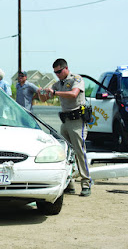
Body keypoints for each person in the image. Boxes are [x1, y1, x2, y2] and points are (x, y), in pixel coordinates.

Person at [37, 58, 92, 197]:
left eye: (59, 71)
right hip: (65, 121)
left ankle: (86, 183)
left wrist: (55, 93)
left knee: (80, 152)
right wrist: (41, 93)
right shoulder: (58, 84)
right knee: (66, 154)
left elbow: (73, 94)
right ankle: (69, 183)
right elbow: (45, 99)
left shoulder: (76, 79)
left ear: (66, 68)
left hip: (77, 121)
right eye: (55, 72)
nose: (58, 74)